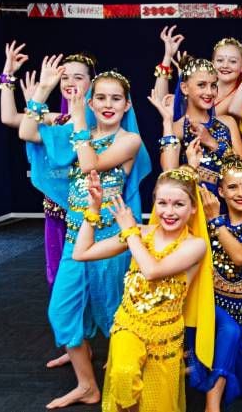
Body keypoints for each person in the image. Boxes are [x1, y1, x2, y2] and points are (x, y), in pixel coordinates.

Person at [19, 58, 151, 408]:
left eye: (115, 99)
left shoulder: (130, 141)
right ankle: (88, 385)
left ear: (127, 104)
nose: (108, 105)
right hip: (76, 239)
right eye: (101, 98)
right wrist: (44, 90)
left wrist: (77, 120)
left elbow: (90, 162)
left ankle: (134, 380)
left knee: (117, 313)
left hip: (111, 240)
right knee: (61, 311)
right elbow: (28, 132)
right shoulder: (80, 133)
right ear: (90, 101)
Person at [72, 166, 209, 412]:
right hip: (129, 325)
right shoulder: (140, 233)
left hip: (165, 335)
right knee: (124, 376)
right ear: (154, 203)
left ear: (193, 208)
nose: (169, 211)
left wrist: (129, 231)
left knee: (156, 403)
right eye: (162, 203)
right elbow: (82, 252)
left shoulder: (195, 246)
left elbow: (152, 270)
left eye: (178, 204)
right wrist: (93, 209)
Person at [0, 42, 96, 290]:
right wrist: (8, 74)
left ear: (91, 82)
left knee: (91, 273)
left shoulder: (101, 118)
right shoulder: (55, 119)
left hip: (88, 211)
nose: (70, 82)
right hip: (56, 210)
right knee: (61, 277)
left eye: (78, 77)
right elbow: (10, 118)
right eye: (65, 77)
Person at [186, 155, 242, 409]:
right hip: (212, 313)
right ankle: (210, 405)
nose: (241, 193)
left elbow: (240, 256)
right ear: (221, 191)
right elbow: (177, 194)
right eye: (233, 187)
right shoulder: (207, 223)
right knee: (228, 333)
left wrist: (216, 222)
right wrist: (192, 168)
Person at [151, 56, 242, 196]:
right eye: (201, 85)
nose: (209, 92)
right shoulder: (177, 128)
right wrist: (167, 121)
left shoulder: (228, 123)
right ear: (185, 88)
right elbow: (169, 177)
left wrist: (212, 143)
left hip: (228, 209)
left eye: (213, 85)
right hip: (193, 209)